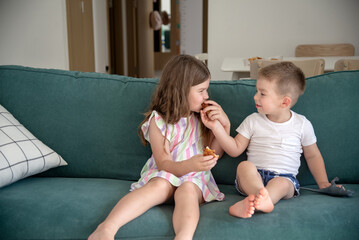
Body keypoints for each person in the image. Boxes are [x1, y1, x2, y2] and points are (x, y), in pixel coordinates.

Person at [88, 55, 229, 240]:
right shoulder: (159, 121)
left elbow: (214, 154)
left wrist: (223, 125)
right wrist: (191, 164)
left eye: (206, 90)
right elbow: (163, 163)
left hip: (194, 180)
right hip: (166, 174)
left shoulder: (201, 118)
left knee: (187, 189)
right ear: (181, 91)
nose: (207, 96)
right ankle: (106, 228)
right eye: (201, 91)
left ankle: (183, 237)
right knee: (160, 185)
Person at [201, 62, 337, 218]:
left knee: (282, 184)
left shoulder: (302, 124)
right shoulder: (253, 120)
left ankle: (259, 201)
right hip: (254, 177)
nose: (255, 96)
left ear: (284, 102)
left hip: (285, 177)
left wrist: (323, 183)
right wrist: (216, 128)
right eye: (257, 91)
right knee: (244, 166)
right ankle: (259, 198)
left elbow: (313, 155)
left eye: (262, 93)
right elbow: (235, 149)